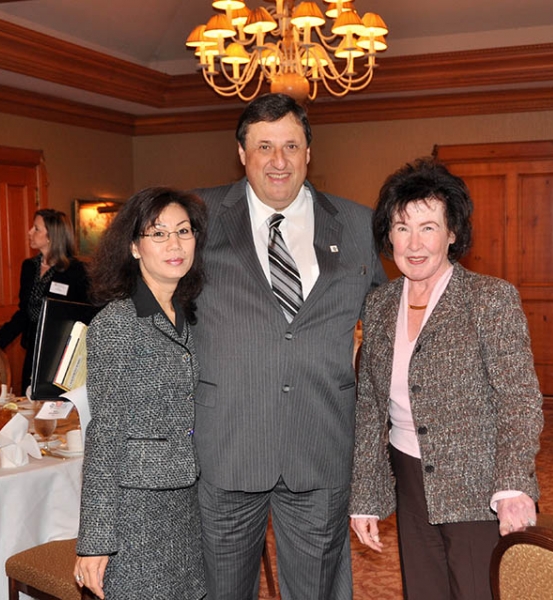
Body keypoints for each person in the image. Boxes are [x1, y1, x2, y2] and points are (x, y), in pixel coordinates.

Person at [192, 93, 386, 600]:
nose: (278, 161)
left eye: (291, 146)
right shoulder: (196, 216)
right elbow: (152, 306)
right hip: (226, 447)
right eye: (264, 147)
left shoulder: (359, 225)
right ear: (242, 153)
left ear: (308, 153)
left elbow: (388, 327)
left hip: (320, 445)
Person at [349, 158, 544, 600]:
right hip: (408, 476)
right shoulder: (379, 306)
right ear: (389, 235)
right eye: (402, 228)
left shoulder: (488, 299)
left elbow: (519, 400)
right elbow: (370, 408)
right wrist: (364, 497)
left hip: (478, 482)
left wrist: (512, 484)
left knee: (477, 590)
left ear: (452, 233)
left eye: (428, 227)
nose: (414, 243)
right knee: (424, 590)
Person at [73, 187, 208, 599]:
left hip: (188, 504)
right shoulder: (117, 323)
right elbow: (105, 433)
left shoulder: (190, 315)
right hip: (136, 511)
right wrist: (96, 540)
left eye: (183, 231)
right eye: (158, 233)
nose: (174, 244)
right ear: (134, 247)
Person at [0, 208, 89, 393]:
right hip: (34, 348)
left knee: (57, 403)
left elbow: (86, 315)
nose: (29, 232)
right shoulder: (29, 267)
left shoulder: (76, 271)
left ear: (51, 236)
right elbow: (24, 312)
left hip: (63, 353)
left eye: (36, 228)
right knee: (30, 397)